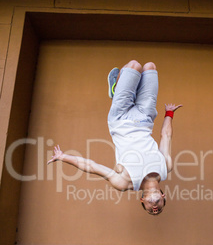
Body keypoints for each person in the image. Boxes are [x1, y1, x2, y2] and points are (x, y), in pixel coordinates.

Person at [48, 60, 182, 215]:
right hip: (145, 119)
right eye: (159, 209)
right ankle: (127, 90)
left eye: (151, 211)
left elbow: (92, 167)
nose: (155, 209)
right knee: (150, 66)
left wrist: (63, 157)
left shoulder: (124, 182)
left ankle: (116, 89)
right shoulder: (166, 168)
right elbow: (166, 135)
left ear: (142, 201)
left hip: (120, 119)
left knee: (134, 66)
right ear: (163, 196)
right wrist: (169, 114)